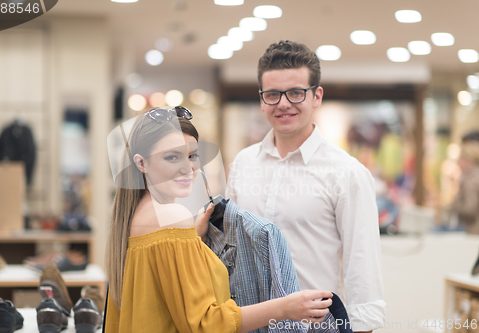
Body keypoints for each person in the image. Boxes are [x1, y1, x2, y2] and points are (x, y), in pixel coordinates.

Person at [104, 106, 333, 333]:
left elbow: (157, 300)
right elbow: (207, 324)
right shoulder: (172, 218)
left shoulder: (133, 218)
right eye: (172, 157)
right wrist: (284, 308)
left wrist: (194, 239)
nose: (188, 168)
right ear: (141, 163)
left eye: (192, 155)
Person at [225, 41, 386, 332]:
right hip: (250, 322)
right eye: (273, 94)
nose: (283, 104)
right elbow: (230, 251)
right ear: (262, 100)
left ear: (316, 96)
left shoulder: (346, 173)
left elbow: (362, 271)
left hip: (317, 326)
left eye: (296, 93)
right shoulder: (243, 164)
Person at [451, 142, 479, 234]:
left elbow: (469, 209)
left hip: (473, 231)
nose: (458, 162)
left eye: (461, 159)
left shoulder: (471, 181)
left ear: (469, 160)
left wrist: (455, 203)